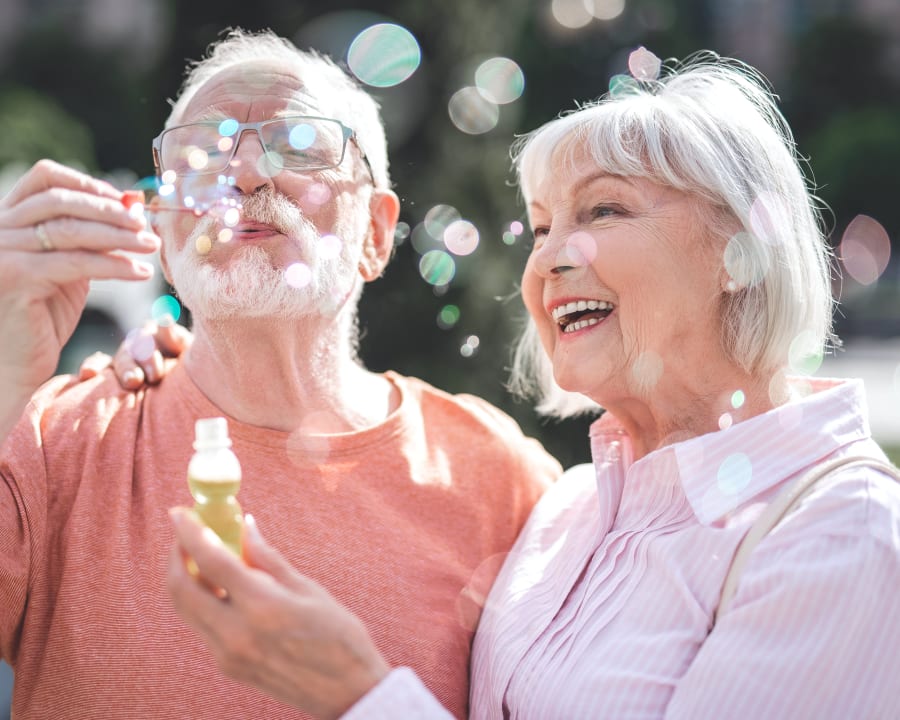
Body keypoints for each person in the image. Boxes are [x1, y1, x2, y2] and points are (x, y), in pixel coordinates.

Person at [120, 50, 900, 718]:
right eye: (541, 224)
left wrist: (357, 693)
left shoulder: (844, 535)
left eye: (603, 207)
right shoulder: (563, 507)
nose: (550, 258)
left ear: (740, 254)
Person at [0, 29, 560, 719]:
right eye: (204, 153)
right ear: (167, 246)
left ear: (376, 233)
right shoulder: (54, 438)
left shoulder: (496, 479)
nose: (244, 174)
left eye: (298, 145)